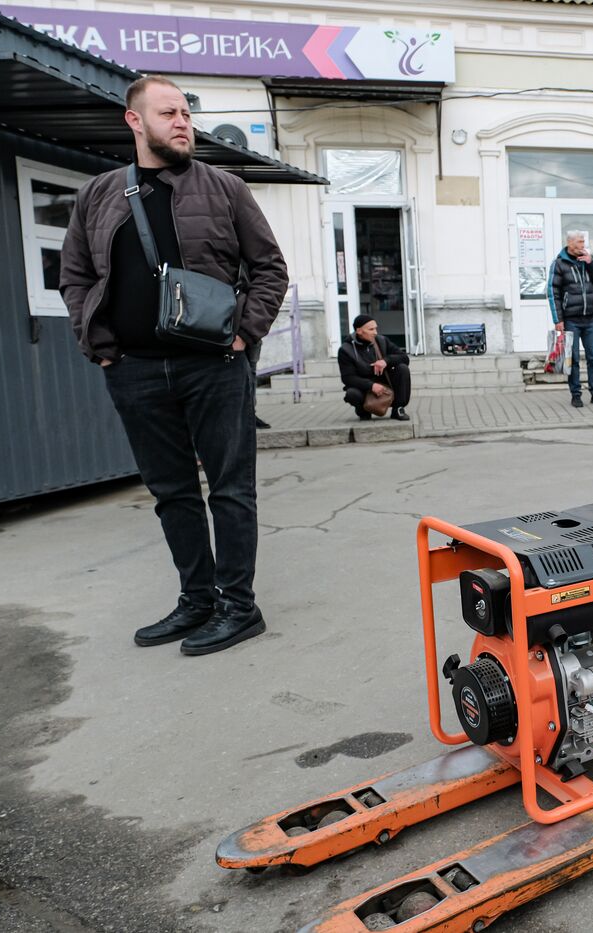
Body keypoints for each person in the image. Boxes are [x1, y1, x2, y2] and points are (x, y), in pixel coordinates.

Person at [60, 75, 288, 656]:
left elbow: (269, 269)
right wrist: (102, 347)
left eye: (186, 112)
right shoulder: (99, 195)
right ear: (135, 122)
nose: (182, 122)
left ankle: (239, 606)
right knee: (172, 493)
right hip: (134, 370)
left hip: (213, 366)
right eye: (168, 113)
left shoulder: (225, 188)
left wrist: (243, 335)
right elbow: (76, 276)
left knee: (231, 491)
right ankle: (198, 599)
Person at [546, 231, 593, 408]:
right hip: (571, 320)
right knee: (572, 359)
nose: (583, 245)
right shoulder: (559, 264)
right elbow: (552, 293)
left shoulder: (587, 261)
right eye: (580, 242)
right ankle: (576, 394)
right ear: (570, 243)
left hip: (589, 319)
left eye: (583, 241)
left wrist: (591, 264)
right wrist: (558, 319)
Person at [338, 314, 411, 421]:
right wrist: (371, 385)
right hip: (363, 386)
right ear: (359, 331)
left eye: (375, 328)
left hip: (385, 382)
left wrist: (385, 361)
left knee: (402, 368)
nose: (375, 332)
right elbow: (348, 378)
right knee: (351, 394)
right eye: (371, 329)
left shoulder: (381, 341)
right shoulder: (345, 350)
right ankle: (363, 410)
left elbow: (404, 358)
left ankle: (398, 409)